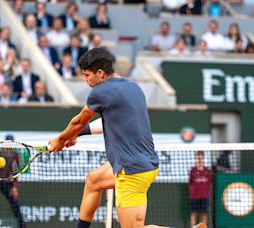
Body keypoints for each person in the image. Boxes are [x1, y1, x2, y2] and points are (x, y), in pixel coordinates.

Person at [48, 48, 206, 228]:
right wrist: (76, 135)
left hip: (131, 172)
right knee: (93, 180)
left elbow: (78, 122)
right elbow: (105, 123)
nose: (86, 81)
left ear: (100, 73)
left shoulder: (100, 92)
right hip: (142, 163)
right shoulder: (133, 88)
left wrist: (60, 140)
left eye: (87, 75)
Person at [0, 134, 26, 228]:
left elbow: (15, 173)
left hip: (7, 184)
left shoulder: (15, 156)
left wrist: (14, 187)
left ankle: (22, 226)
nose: (9, 145)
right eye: (7, 143)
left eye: (11, 143)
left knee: (15, 206)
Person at [189, 151, 212, 227]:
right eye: (198, 158)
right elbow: (190, 183)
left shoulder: (207, 171)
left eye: (201, 158)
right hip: (194, 197)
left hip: (204, 196)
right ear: (196, 158)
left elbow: (210, 183)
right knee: (193, 213)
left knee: (204, 214)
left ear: (203, 158)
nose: (199, 159)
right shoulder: (193, 170)